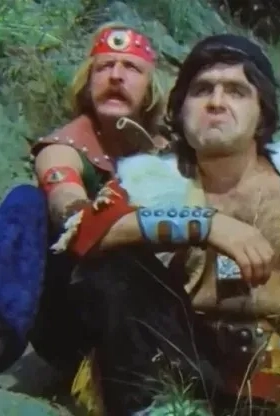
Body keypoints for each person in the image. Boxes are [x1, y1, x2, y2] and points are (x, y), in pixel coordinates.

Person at [49, 34, 280, 415]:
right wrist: (203, 224)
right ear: (180, 109)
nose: (216, 102)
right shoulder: (145, 181)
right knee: (113, 264)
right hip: (170, 373)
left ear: (262, 112)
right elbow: (83, 232)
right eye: (201, 90)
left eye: (236, 91)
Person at [0, 22, 168, 373]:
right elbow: (67, 205)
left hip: (150, 324)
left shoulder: (173, 155)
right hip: (74, 319)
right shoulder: (65, 145)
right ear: (88, 82)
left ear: (150, 89)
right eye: (104, 67)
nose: (116, 76)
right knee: (26, 201)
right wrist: (81, 211)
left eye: (131, 67)